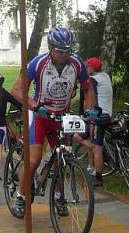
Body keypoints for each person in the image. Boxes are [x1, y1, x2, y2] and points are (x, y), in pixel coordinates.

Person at [10, 27, 94, 219]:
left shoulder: (77, 64)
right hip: (40, 115)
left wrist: (89, 112)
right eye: (59, 50)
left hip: (61, 117)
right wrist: (33, 105)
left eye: (67, 50)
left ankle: (58, 197)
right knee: (34, 159)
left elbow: (88, 90)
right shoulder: (37, 63)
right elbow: (16, 90)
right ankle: (20, 197)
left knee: (61, 160)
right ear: (50, 47)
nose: (64, 54)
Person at [75, 57, 113, 187]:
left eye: (87, 67)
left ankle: (98, 178)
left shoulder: (92, 80)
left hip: (98, 117)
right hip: (107, 115)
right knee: (94, 142)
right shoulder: (106, 76)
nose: (85, 69)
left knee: (93, 145)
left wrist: (86, 115)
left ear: (92, 68)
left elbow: (87, 100)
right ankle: (98, 155)